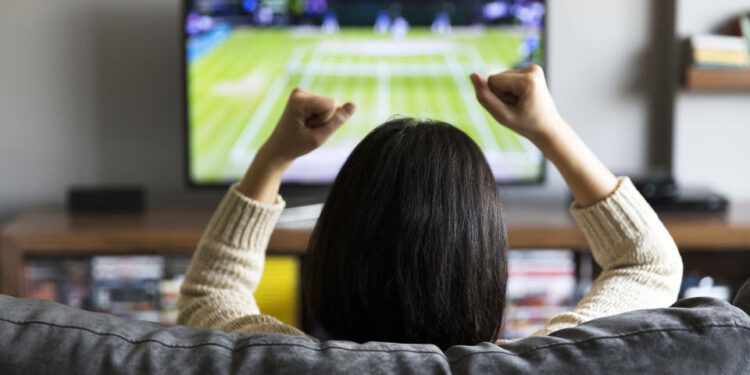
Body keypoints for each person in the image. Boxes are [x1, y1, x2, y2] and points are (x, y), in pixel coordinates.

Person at [177, 65, 683, 349]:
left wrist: (274, 156)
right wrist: (549, 131)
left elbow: (210, 291)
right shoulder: (544, 365)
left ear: (330, 254)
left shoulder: (269, 362)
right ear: (486, 267)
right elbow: (647, 263)